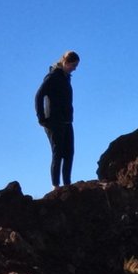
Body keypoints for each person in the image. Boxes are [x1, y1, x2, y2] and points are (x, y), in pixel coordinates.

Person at [35, 51, 79, 190]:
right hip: (54, 122)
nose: (75, 68)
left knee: (69, 152)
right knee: (58, 152)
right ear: (65, 62)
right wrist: (41, 118)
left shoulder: (66, 78)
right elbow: (39, 96)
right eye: (73, 65)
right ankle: (55, 186)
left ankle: (67, 184)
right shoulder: (53, 76)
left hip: (67, 121)